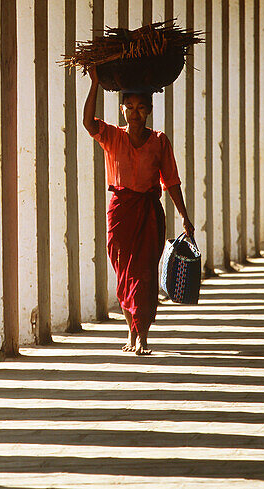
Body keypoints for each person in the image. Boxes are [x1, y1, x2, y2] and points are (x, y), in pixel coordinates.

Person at [82, 65, 193, 355]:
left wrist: (184, 215)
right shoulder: (112, 137)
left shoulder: (159, 141)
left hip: (148, 214)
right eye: (129, 106)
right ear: (121, 110)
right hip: (120, 214)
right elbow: (88, 122)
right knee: (124, 274)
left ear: (149, 111)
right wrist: (95, 82)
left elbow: (171, 180)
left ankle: (142, 335)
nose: (134, 112)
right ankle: (130, 333)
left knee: (143, 274)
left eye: (140, 107)